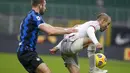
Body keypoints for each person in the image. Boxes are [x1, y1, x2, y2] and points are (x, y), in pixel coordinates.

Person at [17, 0, 77, 73]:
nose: (45, 8)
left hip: (25, 52)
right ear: (40, 5)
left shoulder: (32, 15)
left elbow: (52, 28)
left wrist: (69, 29)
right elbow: (50, 31)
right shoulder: (34, 17)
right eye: (44, 5)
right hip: (26, 52)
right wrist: (68, 31)